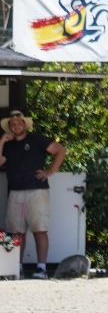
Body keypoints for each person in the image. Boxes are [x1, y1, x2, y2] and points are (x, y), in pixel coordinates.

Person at [1, 111, 63, 278]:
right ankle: (16, 267)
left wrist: (50, 171)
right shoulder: (8, 144)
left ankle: (41, 268)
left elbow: (60, 150)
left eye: (18, 123)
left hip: (37, 190)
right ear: (9, 127)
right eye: (12, 124)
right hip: (15, 192)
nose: (16, 126)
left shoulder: (37, 139)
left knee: (39, 230)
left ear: (24, 124)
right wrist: (1, 141)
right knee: (16, 233)